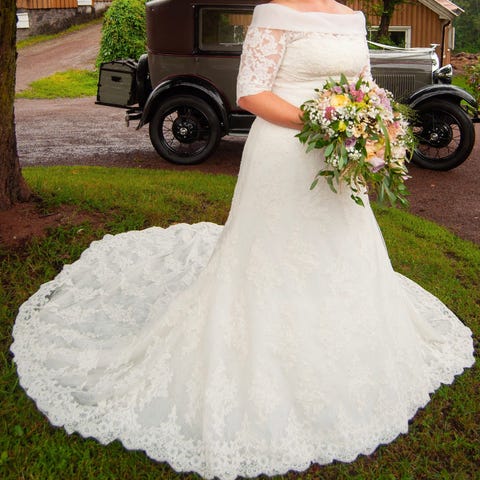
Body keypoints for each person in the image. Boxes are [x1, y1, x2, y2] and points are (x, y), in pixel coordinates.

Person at [11, 1, 474, 479]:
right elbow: (251, 94)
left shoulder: (351, 17)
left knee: (339, 244)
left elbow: (363, 85)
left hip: (338, 158)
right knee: (271, 254)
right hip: (286, 152)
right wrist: (326, 123)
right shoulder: (274, 12)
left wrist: (370, 125)